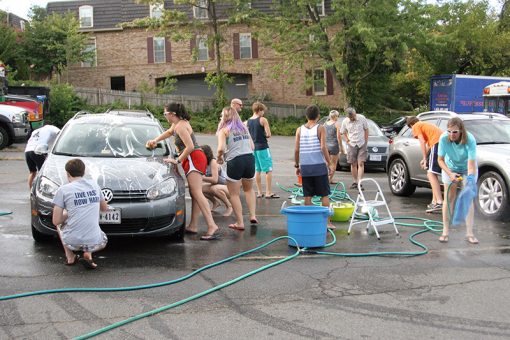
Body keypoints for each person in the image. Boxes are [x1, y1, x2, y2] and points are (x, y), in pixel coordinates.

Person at [147, 103, 220, 240]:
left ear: (172, 114)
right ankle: (193, 225)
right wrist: (155, 140)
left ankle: (212, 225)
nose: (165, 116)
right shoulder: (178, 124)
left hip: (194, 158)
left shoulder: (180, 126)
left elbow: (190, 146)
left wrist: (177, 160)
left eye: (165, 114)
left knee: (197, 193)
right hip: (193, 158)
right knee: (195, 193)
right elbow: (169, 132)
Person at [52, 158, 108, 269]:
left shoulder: (63, 190)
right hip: (98, 243)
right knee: (89, 216)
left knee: (59, 224)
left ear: (67, 173)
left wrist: (68, 213)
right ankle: (88, 253)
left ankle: (70, 257)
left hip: (72, 242)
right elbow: (104, 209)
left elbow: (56, 220)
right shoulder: (95, 186)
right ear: (83, 172)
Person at [437, 117, 478, 244]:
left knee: (468, 198)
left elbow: (471, 164)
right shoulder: (444, 138)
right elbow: (440, 160)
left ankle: (469, 233)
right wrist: (450, 174)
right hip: (450, 167)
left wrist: (470, 179)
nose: (451, 135)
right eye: (449, 131)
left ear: (460, 131)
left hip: (467, 169)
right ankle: (445, 231)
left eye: (454, 132)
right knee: (449, 199)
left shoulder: (470, 139)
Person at [217, 106, 257, 231]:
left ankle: (240, 222)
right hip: (249, 159)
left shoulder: (224, 131)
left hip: (235, 160)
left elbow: (221, 148)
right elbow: (252, 146)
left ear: (225, 116)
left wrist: (219, 157)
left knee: (234, 194)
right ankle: (253, 215)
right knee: (249, 190)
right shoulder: (244, 128)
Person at [294, 105, 335, 229]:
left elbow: (296, 149)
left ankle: (309, 221)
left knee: (308, 195)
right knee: (324, 195)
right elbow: (323, 147)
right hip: (319, 166)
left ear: (306, 116)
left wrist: (297, 165)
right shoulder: (320, 128)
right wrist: (329, 163)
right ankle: (327, 223)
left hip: (305, 167)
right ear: (318, 116)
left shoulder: (299, 129)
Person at [406, 116, 444, 212]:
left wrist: (424, 158)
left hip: (437, 143)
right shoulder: (424, 125)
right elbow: (428, 145)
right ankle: (434, 202)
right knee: (431, 173)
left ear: (411, 125)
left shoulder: (416, 126)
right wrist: (425, 158)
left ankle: (439, 202)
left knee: (431, 173)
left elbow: (422, 141)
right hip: (439, 144)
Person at [247, 101, 280, 199]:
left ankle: (259, 192)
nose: (263, 113)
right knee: (268, 170)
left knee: (258, 170)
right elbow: (268, 134)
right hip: (263, 147)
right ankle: (268, 192)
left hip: (253, 148)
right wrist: (264, 135)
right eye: (263, 111)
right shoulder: (263, 120)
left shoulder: (247, 122)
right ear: (260, 110)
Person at [340, 107, 368, 190]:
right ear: (348, 116)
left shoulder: (362, 118)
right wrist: (347, 140)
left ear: (355, 113)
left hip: (361, 143)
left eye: (353, 116)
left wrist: (366, 141)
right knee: (353, 163)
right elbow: (342, 132)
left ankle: (360, 182)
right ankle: (355, 181)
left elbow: (366, 129)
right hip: (352, 144)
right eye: (351, 117)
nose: (353, 118)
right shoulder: (345, 121)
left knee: (361, 163)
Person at [201, 144, 233, 217]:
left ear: (206, 153)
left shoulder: (213, 162)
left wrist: (202, 177)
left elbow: (215, 180)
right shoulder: (204, 163)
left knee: (214, 188)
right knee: (199, 188)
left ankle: (229, 206)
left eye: (201, 153)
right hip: (218, 185)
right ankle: (215, 202)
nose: (199, 155)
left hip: (228, 187)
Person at [25, 124, 60, 188]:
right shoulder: (50, 127)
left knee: (32, 172)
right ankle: (39, 190)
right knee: (43, 172)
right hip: (38, 150)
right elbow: (60, 133)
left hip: (27, 151)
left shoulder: (36, 131)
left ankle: (31, 192)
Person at [324, 110, 345, 184]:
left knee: (327, 163)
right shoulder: (336, 124)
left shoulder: (325, 124)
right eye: (338, 116)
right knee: (333, 164)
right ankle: (329, 179)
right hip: (334, 146)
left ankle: (326, 178)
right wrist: (341, 148)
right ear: (335, 116)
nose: (338, 118)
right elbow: (338, 137)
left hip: (326, 146)